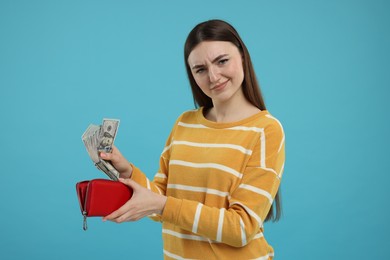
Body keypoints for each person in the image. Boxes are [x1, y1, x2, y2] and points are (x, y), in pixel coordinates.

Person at [101, 19, 285, 260]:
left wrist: (162, 205)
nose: (214, 76)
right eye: (200, 69)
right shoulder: (184, 123)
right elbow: (160, 206)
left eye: (222, 61)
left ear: (242, 55)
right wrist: (127, 171)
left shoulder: (266, 130)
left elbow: (241, 228)